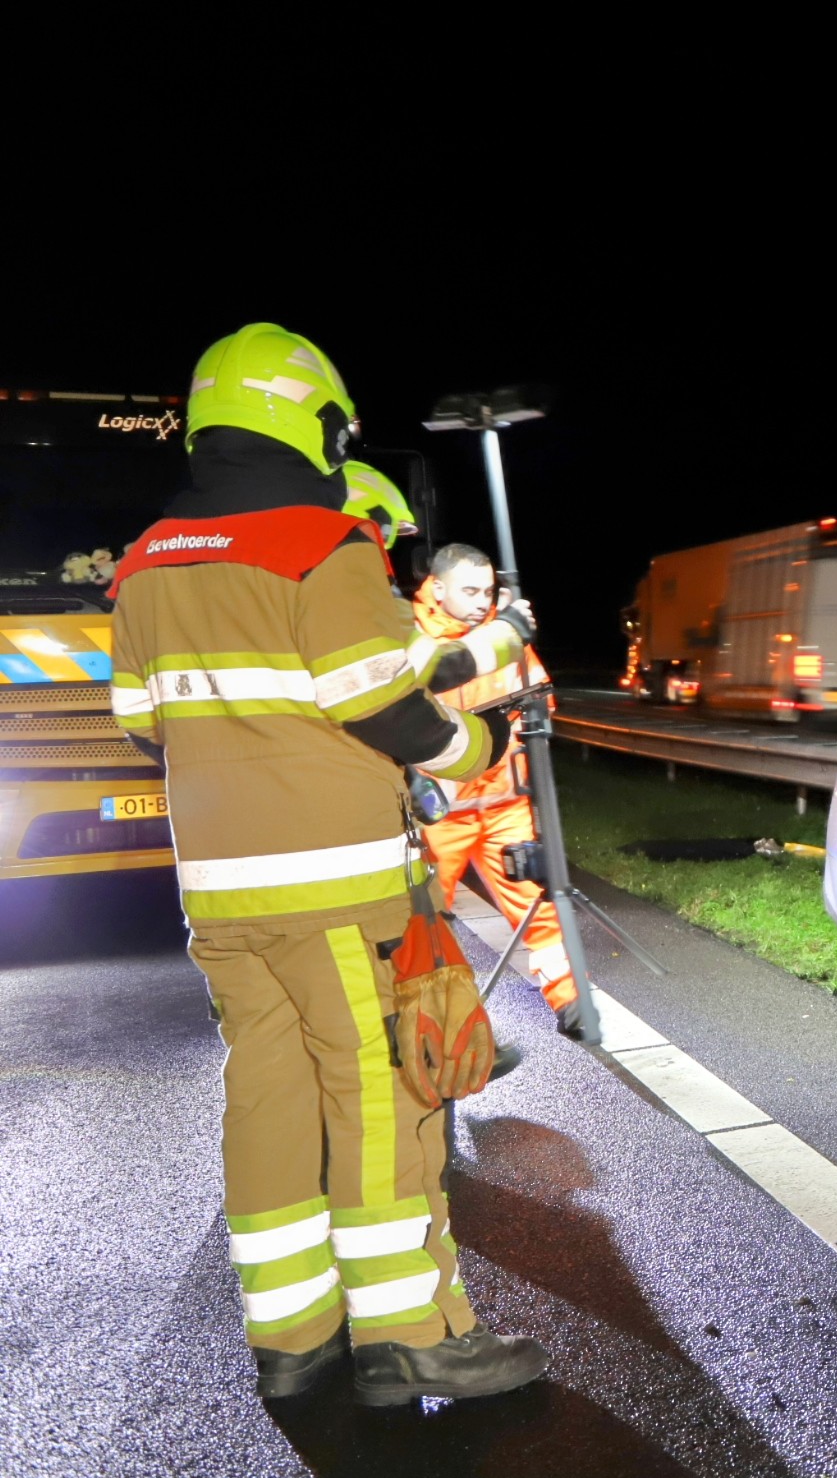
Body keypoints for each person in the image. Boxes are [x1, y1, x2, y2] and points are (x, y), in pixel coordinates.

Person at [109, 322, 550, 1406]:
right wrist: (481, 745)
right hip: (339, 887)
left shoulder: (147, 560)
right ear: (314, 424)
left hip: (221, 895)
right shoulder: (321, 541)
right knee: (382, 1096)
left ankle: (294, 1340)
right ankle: (411, 1338)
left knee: (267, 1095)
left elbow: (140, 723)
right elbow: (383, 703)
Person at [409, 542, 583, 1034]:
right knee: (420, 921)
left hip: (504, 805)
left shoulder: (504, 636)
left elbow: (540, 702)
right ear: (436, 589)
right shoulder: (412, 640)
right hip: (438, 812)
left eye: (488, 591)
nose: (482, 601)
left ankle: (571, 1001)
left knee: (537, 907)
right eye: (470, 591)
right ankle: (424, 1025)